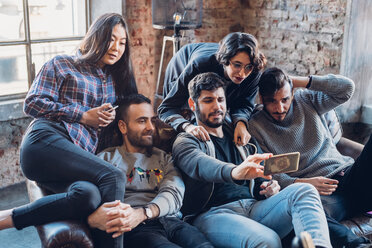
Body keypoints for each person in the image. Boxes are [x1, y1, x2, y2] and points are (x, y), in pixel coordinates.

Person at [0, 13, 137, 248]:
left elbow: (135, 109)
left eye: (122, 42)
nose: (116, 47)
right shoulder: (63, 63)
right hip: (45, 140)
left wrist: (112, 117)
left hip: (74, 157)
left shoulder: (116, 79)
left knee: (88, 195)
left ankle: (5, 218)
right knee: (113, 176)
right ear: (97, 37)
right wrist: (83, 115)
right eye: (111, 39)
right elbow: (32, 103)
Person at [172, 72, 332, 248]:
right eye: (208, 100)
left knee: (304, 191)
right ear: (193, 104)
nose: (217, 106)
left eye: (220, 99)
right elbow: (201, 165)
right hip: (212, 215)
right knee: (268, 240)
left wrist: (269, 187)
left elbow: (263, 173)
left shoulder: (241, 134)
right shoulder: (186, 141)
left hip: (254, 207)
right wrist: (235, 172)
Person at [248, 67, 372, 247]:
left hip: (349, 176)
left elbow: (346, 89)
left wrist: (298, 81)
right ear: (261, 99)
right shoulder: (256, 126)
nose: (280, 108)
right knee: (302, 217)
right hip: (319, 195)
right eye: (272, 101)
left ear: (293, 93)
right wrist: (302, 183)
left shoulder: (306, 99)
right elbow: (269, 171)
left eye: (285, 99)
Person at [88, 94, 214, 248]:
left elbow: (174, 194)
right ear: (123, 126)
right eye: (142, 121)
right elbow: (88, 199)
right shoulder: (105, 159)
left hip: (172, 221)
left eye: (152, 120)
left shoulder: (165, 158)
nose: (151, 127)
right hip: (137, 229)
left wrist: (143, 213)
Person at [158, 32, 266, 146]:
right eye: (237, 65)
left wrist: (241, 123)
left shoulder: (254, 72)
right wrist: (187, 126)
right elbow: (166, 108)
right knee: (182, 119)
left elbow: (244, 103)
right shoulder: (199, 65)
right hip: (183, 62)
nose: (242, 73)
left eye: (248, 67)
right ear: (226, 60)